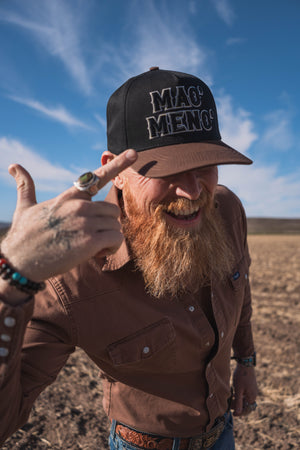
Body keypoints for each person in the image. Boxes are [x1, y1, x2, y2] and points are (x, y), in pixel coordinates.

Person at [0, 67, 258, 449]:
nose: (191, 192)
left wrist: (247, 364)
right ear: (116, 170)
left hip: (222, 434)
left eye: (204, 165)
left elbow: (240, 287)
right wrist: (12, 279)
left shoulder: (226, 209)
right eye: (167, 169)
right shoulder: (69, 279)